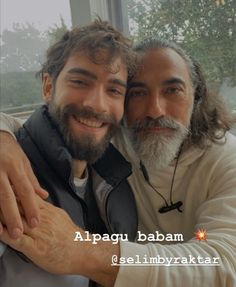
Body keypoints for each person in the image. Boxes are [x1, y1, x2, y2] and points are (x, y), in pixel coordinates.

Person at [0, 37, 236, 287]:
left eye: (173, 90)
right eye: (137, 93)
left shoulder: (225, 158)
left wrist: (82, 252)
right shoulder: (115, 140)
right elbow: (52, 122)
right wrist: (3, 139)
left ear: (196, 96)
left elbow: (225, 264)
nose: (154, 110)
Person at [0, 19, 138, 287]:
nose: (96, 103)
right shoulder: (8, 179)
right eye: (79, 81)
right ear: (48, 87)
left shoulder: (118, 172)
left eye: (113, 90)